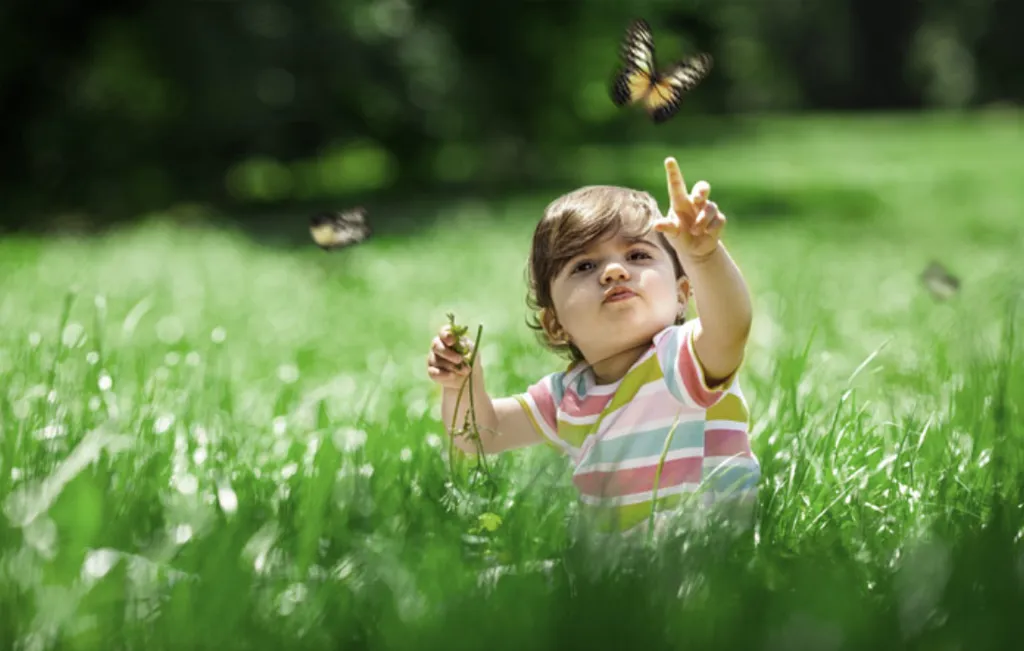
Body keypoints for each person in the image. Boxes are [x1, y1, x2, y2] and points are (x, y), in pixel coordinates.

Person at [426, 157, 760, 536]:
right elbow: (483, 435)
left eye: (637, 255)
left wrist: (703, 257)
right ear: (556, 324)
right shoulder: (568, 397)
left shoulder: (681, 359)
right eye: (584, 266)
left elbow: (732, 329)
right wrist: (462, 386)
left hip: (698, 559)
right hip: (608, 575)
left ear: (683, 295)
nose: (614, 272)